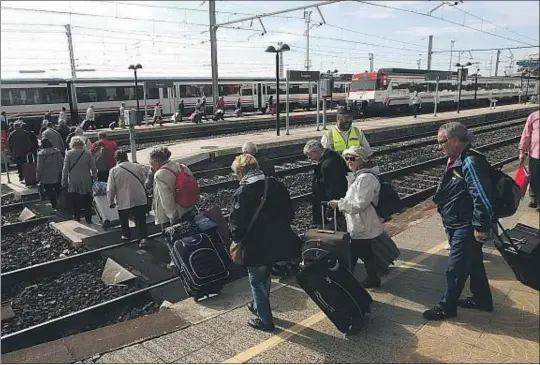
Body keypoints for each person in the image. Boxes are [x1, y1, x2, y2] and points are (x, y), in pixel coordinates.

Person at [423, 122, 494, 321]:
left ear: (455, 141)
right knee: (473, 263)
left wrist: (481, 226)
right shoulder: (457, 158)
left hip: (467, 224)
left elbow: (481, 195)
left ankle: (446, 307)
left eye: (442, 141)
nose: (439, 146)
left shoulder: (470, 162)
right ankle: (482, 299)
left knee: (456, 268)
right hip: (458, 222)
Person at [229, 154, 299, 332]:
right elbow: (290, 213)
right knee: (265, 276)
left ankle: (265, 320)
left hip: (256, 246)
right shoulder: (275, 184)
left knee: (257, 281)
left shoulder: (242, 193)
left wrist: (235, 237)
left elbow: (237, 227)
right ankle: (258, 305)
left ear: (241, 171)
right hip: (278, 242)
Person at [328, 145, 386, 288]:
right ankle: (371, 278)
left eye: (352, 158)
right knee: (364, 253)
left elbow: (359, 204)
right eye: (346, 158)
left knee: (354, 253)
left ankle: (347, 281)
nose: (349, 161)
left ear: (362, 159)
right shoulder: (359, 176)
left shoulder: (365, 178)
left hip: (363, 223)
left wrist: (339, 204)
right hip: (360, 223)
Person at [303, 139, 349, 229]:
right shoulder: (333, 157)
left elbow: (333, 189)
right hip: (335, 202)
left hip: (330, 205)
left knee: (334, 229)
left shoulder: (327, 165)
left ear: (315, 152)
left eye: (310, 156)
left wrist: (331, 208)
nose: (310, 159)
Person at [107, 150, 149, 248]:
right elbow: (144, 180)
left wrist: (111, 201)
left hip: (123, 199)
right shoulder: (136, 166)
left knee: (123, 218)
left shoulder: (114, 170)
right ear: (127, 157)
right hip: (139, 197)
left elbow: (110, 188)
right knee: (140, 219)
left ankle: (126, 235)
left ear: (116, 159)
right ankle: (143, 238)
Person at [149, 147, 194, 227]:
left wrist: (173, 217)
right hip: (187, 208)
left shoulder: (160, 175)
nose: (151, 167)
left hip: (171, 215)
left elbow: (166, 198)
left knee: (174, 237)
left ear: (157, 161)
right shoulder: (182, 166)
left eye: (151, 163)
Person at [62, 136, 98, 223]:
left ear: (72, 144)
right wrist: (96, 180)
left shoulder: (69, 154)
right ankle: (88, 218)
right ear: (82, 144)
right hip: (86, 179)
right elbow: (93, 168)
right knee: (87, 199)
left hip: (73, 180)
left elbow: (65, 169)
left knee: (75, 199)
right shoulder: (88, 153)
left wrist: (63, 182)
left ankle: (77, 216)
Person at [519, 110, 540, 210]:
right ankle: (534, 198)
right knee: (534, 177)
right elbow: (526, 135)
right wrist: (522, 152)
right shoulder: (534, 116)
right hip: (535, 153)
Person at [36, 138, 63, 210]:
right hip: (57, 174)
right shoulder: (57, 152)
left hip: (46, 176)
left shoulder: (41, 154)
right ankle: (60, 203)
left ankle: (54, 205)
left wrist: (37, 177)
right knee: (58, 189)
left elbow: (39, 168)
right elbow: (61, 162)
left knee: (49, 191)